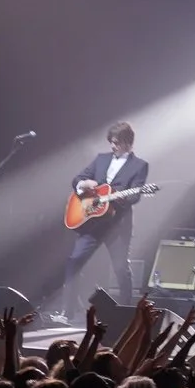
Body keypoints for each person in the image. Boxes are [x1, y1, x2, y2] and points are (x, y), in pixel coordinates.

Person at [44, 122, 149, 323]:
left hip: (118, 225)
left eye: (116, 143)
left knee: (120, 269)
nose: (112, 146)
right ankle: (67, 313)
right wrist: (84, 184)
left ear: (128, 142)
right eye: (111, 142)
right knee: (74, 262)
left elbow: (135, 196)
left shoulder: (140, 166)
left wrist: (116, 196)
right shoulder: (101, 159)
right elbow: (78, 179)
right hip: (92, 224)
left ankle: (125, 313)